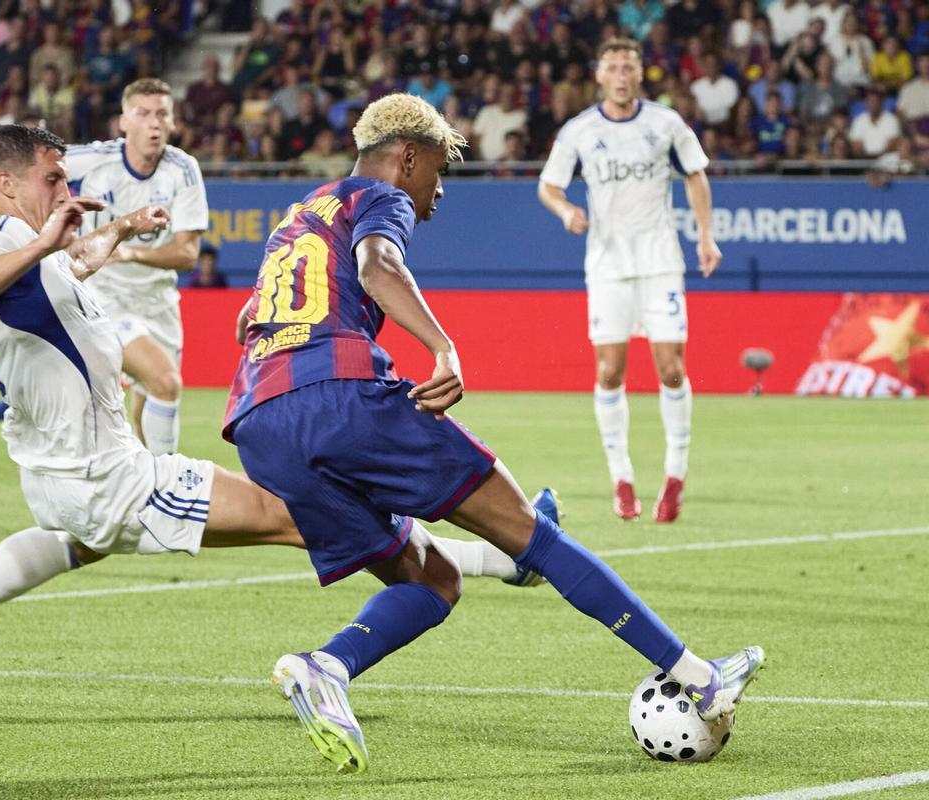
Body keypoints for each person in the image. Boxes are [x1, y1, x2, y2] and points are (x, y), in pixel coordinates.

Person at [0, 124, 535, 686]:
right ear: (5, 185)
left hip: (58, 478)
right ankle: (502, 561)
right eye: (52, 179)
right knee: (299, 512)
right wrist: (43, 239)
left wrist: (118, 231)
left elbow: (63, 269)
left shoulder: (34, 254)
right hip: (107, 477)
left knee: (75, 544)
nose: (65, 189)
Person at [225, 92, 762, 774]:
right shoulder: (378, 196)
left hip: (259, 424)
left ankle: (326, 667)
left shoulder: (301, 215)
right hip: (338, 396)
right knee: (534, 537)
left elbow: (249, 318)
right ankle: (700, 676)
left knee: (433, 579)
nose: (440, 188)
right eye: (439, 168)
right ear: (406, 157)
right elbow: (378, 267)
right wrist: (443, 348)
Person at [0, 78, 205, 465]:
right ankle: (164, 494)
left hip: (158, 305)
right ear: (123, 121)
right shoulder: (94, 158)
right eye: (143, 114)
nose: (153, 123)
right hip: (102, 298)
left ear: (174, 122)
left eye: (162, 114)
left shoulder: (183, 169)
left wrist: (129, 253)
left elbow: (188, 254)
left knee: (144, 411)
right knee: (166, 383)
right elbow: (15, 172)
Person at [537, 38, 722, 523]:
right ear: (599, 75)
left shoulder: (666, 124)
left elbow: (696, 176)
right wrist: (565, 211)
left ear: (640, 74)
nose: (621, 74)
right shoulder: (580, 130)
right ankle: (621, 480)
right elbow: (548, 185)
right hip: (608, 265)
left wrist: (705, 236)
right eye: (613, 66)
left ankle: (675, 477)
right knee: (609, 372)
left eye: (629, 66)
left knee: (671, 370)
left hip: (660, 259)